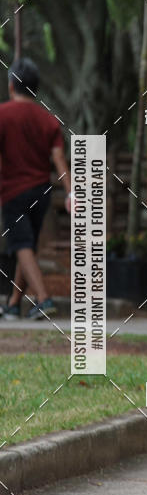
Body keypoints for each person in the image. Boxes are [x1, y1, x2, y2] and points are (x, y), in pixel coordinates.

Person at [0, 57, 71, 320]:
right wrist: (71, 192)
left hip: (13, 190)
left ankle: (43, 299)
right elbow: (59, 159)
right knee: (26, 245)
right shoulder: (49, 120)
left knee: (21, 244)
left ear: (11, 86)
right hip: (41, 192)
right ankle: (14, 303)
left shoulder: (3, 115)